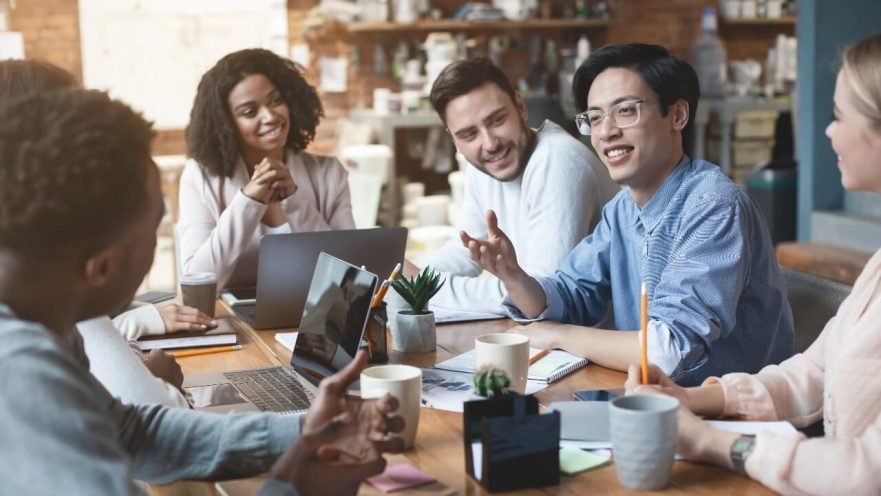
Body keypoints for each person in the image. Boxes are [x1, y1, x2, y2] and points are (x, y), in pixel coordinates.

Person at [0, 88, 403, 495]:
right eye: (155, 226)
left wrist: (305, 431)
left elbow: (130, 435)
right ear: (101, 267)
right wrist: (298, 486)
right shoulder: (20, 374)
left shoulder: (46, 321)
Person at [627, 32, 881, 496]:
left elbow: (868, 471)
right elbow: (815, 371)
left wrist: (712, 443)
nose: (828, 131)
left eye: (839, 115)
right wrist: (692, 399)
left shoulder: (715, 200)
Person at [464, 44, 794, 385]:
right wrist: (513, 275)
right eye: (594, 118)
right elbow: (570, 295)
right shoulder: (622, 210)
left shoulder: (714, 204)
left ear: (678, 115)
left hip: (728, 410)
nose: (605, 132)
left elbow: (667, 351)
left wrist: (559, 335)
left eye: (624, 111)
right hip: (648, 400)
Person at [0, 58, 212, 406]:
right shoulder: (57, 281)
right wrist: (159, 382)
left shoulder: (44, 290)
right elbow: (152, 413)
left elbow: (123, 420)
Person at [404, 57, 618, 316]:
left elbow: (537, 295)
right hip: (547, 334)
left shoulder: (559, 161)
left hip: (594, 338)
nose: (490, 144)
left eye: (497, 120)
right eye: (469, 134)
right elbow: (467, 249)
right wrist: (406, 279)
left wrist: (423, 288)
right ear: (453, 139)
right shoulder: (484, 166)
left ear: (520, 107)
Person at [180, 48, 355, 289]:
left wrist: (295, 202)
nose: (270, 117)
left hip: (314, 311)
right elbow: (196, 279)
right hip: (228, 312)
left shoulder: (329, 173)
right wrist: (248, 202)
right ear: (226, 124)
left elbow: (349, 276)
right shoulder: (200, 178)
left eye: (276, 101)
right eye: (249, 112)